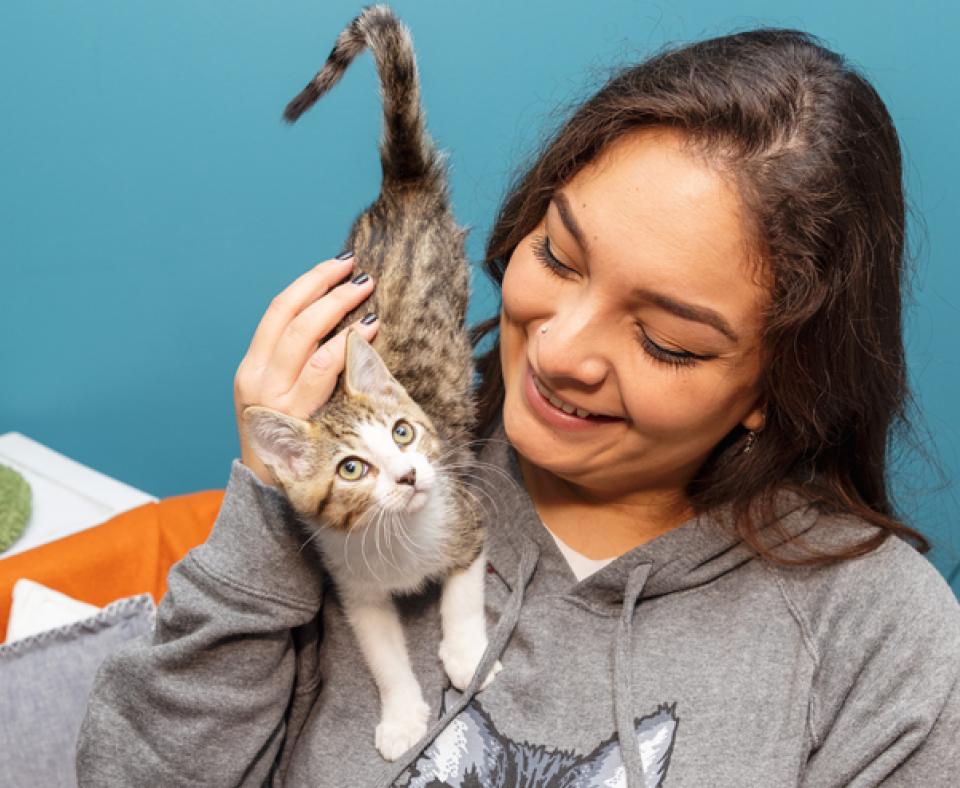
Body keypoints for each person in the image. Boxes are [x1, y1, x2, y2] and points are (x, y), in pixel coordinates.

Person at [76, 27, 960, 787]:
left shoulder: (883, 637)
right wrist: (277, 505)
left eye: (665, 341)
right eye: (561, 257)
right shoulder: (366, 502)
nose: (561, 349)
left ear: (777, 387)